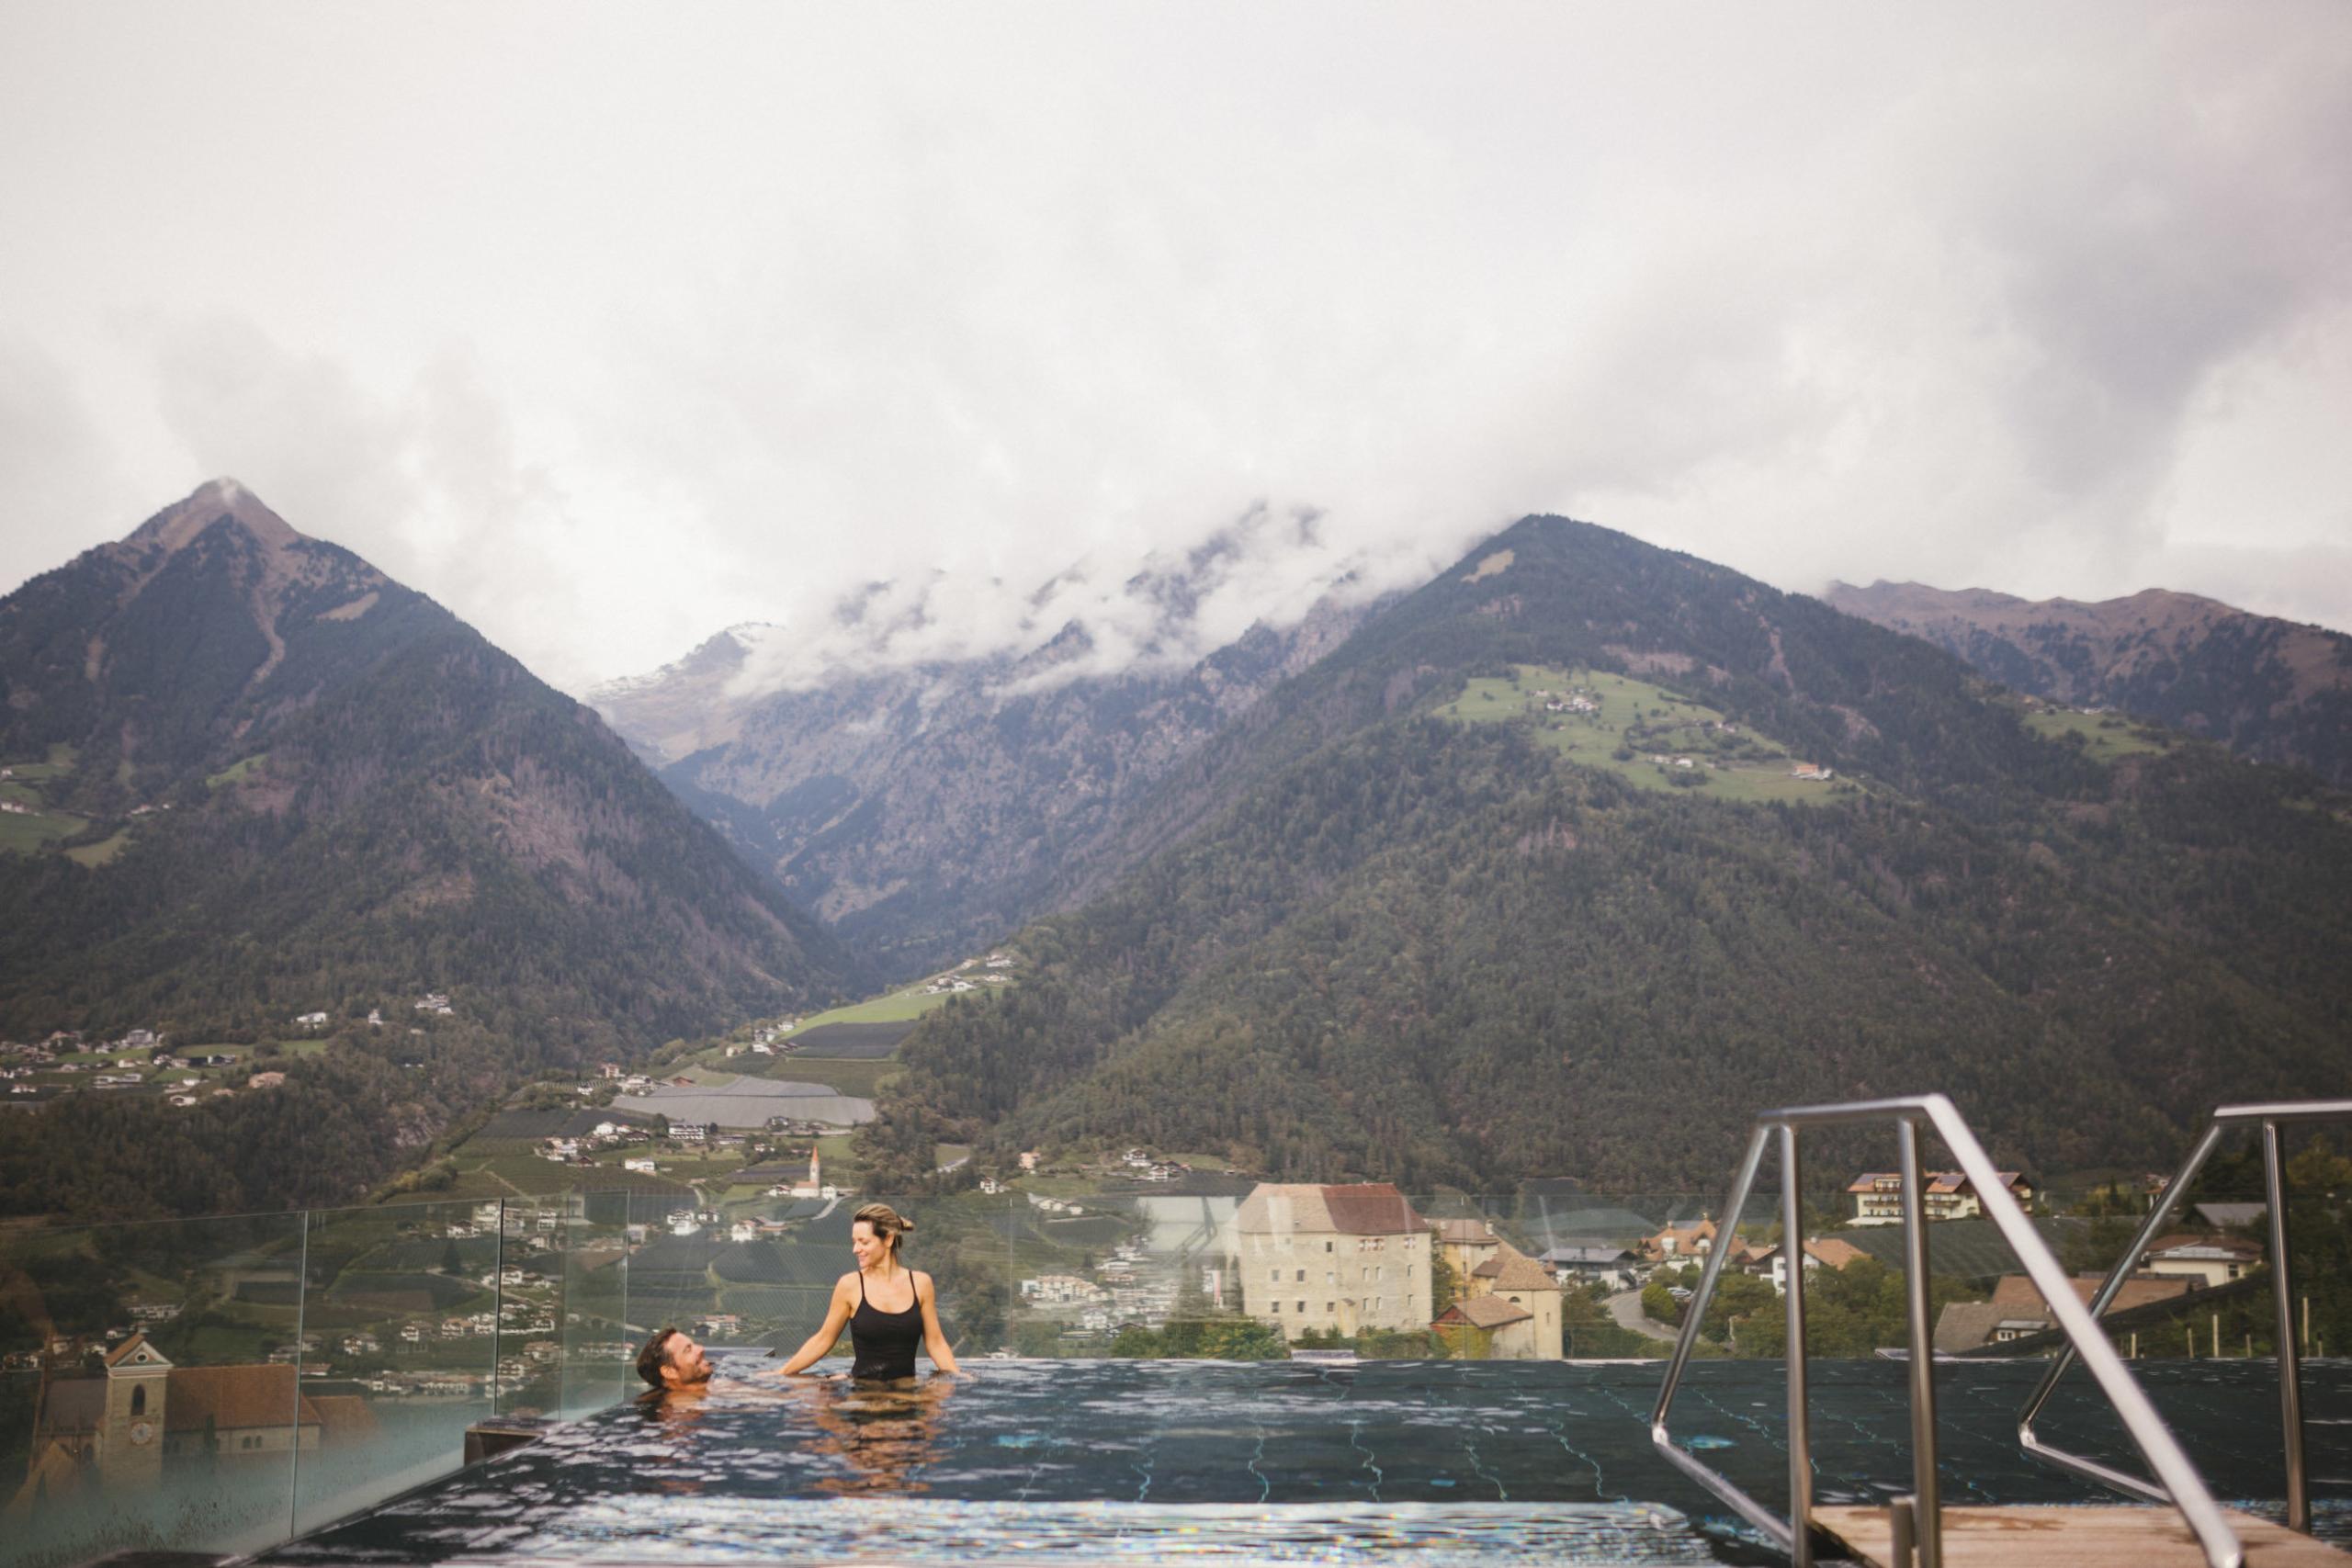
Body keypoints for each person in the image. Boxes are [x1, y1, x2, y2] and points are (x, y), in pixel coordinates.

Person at [774, 1201, 961, 1378]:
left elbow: (935, 1342)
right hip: (861, 1390)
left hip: (906, 1391)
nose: (856, 1249)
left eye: (863, 1242)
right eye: (854, 1242)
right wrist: (781, 1374)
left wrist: (958, 1377)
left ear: (888, 1239)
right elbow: (824, 1339)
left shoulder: (920, 1284)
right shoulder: (850, 1285)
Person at [634, 1325, 715, 1392]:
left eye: (693, 1344)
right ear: (670, 1372)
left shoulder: (712, 1389)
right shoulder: (684, 1405)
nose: (701, 1348)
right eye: (688, 1350)